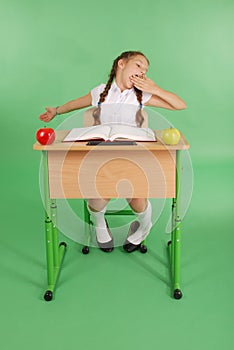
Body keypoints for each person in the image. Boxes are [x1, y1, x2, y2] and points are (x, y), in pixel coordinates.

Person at [39, 50, 186, 253]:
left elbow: (180, 105)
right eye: (138, 65)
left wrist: (155, 88)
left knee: (137, 200)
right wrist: (56, 111)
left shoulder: (141, 94)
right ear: (121, 64)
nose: (142, 72)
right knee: (97, 198)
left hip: (134, 158)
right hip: (102, 158)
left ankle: (144, 226)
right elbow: (75, 104)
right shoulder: (100, 91)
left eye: (145, 70)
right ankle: (99, 224)